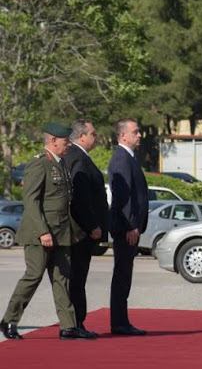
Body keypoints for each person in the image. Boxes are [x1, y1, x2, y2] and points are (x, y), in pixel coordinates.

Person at [0, 123, 96, 340]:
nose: (68, 144)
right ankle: (9, 321)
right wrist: (43, 231)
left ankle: (68, 326)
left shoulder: (61, 164)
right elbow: (31, 201)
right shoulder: (39, 164)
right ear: (53, 140)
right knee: (33, 276)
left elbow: (64, 203)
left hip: (61, 233)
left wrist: (71, 231)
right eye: (65, 141)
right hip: (40, 233)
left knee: (63, 278)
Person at [66, 119, 109, 337]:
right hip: (80, 233)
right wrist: (92, 225)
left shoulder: (76, 156)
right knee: (77, 278)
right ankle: (75, 324)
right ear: (81, 136)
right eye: (93, 133)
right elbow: (80, 198)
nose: (96, 136)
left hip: (81, 231)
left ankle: (73, 323)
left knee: (76, 278)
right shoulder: (78, 158)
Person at [108, 118, 149, 336]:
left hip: (130, 227)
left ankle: (121, 321)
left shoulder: (129, 157)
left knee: (125, 275)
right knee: (122, 276)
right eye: (136, 131)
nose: (140, 135)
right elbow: (122, 197)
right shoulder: (122, 158)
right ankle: (119, 323)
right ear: (123, 135)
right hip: (126, 228)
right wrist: (131, 225)